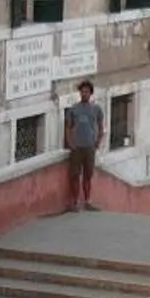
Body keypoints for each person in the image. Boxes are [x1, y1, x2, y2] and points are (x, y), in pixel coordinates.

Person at [62, 80, 103, 211]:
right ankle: (74, 201)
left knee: (87, 176)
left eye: (86, 92)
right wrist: (70, 142)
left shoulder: (96, 109)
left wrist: (98, 142)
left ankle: (87, 201)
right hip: (77, 147)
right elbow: (68, 127)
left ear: (91, 94)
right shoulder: (74, 109)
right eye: (82, 92)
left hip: (89, 147)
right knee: (74, 175)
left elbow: (101, 126)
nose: (84, 94)